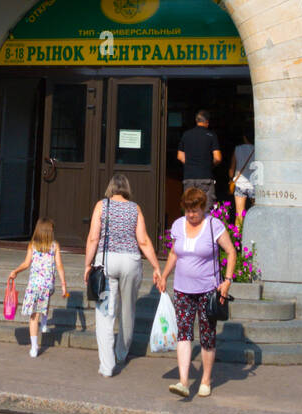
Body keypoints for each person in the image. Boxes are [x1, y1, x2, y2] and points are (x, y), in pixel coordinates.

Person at [159, 186, 236, 398]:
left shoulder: (214, 225)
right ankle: (183, 382)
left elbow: (230, 251)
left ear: (203, 208)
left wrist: (227, 281)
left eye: (195, 211)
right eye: (187, 210)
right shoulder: (178, 225)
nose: (191, 215)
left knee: (207, 336)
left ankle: (205, 380)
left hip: (208, 291)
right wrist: (164, 275)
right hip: (182, 289)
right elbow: (174, 253)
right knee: (183, 333)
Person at [83, 173, 162, 377]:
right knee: (128, 310)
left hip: (106, 260)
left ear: (110, 188)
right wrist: (156, 266)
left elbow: (93, 238)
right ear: (126, 188)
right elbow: (143, 240)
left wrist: (87, 265)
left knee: (105, 314)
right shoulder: (135, 208)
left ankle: (107, 365)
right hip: (130, 261)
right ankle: (121, 353)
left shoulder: (101, 206)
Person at [8, 217, 67, 358]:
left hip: (34, 285)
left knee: (33, 316)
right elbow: (59, 266)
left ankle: (34, 347)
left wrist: (15, 271)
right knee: (46, 298)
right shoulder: (54, 246)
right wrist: (64, 285)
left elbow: (26, 263)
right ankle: (45, 322)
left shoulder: (32, 245)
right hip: (48, 285)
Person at [177, 110, 221, 211]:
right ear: (207, 122)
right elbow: (218, 157)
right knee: (205, 209)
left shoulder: (186, 134)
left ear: (196, 121)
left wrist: (190, 164)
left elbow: (180, 156)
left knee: (189, 208)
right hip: (205, 177)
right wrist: (209, 165)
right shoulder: (211, 135)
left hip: (189, 177)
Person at [229, 130, 257, 229]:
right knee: (256, 212)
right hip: (254, 185)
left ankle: (238, 238)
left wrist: (231, 178)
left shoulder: (237, 149)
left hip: (240, 184)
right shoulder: (258, 149)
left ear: (244, 137)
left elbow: (232, 171)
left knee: (239, 214)